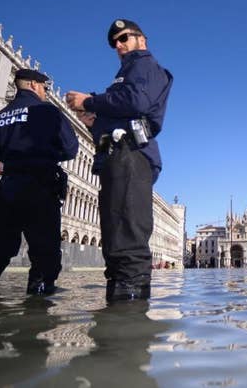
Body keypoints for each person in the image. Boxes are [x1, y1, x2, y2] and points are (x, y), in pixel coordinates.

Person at [65, 18, 173, 303]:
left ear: (142, 39)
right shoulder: (123, 76)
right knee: (114, 241)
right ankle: (116, 311)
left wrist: (89, 101)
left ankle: (129, 320)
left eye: (124, 38)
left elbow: (136, 102)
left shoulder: (144, 65)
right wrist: (92, 121)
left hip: (131, 156)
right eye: (115, 43)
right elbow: (121, 111)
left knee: (127, 237)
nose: (119, 46)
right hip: (115, 157)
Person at [0, 68, 79, 296]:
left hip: (7, 187)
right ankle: (37, 305)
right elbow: (70, 149)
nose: (46, 93)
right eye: (44, 88)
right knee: (44, 251)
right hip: (40, 184)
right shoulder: (48, 112)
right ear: (33, 85)